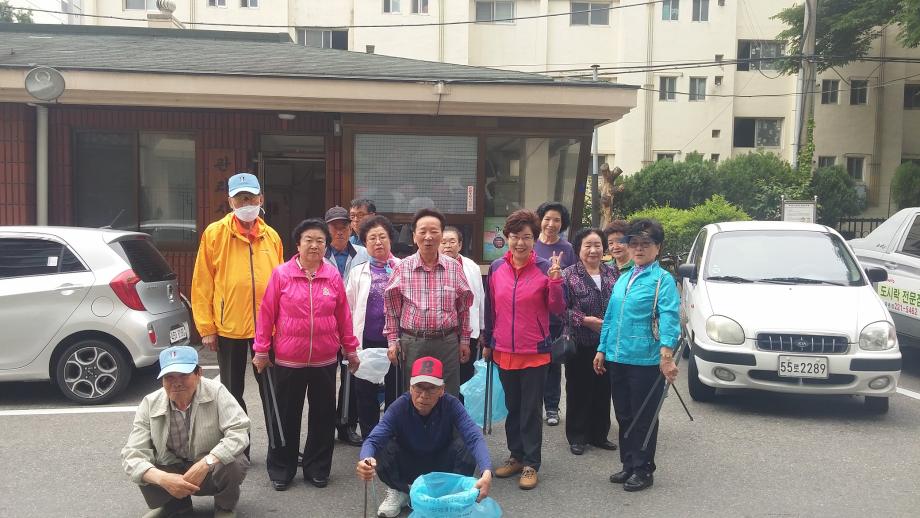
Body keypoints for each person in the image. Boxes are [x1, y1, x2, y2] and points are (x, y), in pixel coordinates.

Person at [252, 218, 361, 491]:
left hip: (325, 358)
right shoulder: (282, 274)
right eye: (309, 240)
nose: (314, 245)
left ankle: (317, 467)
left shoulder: (332, 275)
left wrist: (351, 349)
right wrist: (261, 350)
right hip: (289, 359)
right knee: (286, 416)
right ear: (298, 244)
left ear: (326, 246)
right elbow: (266, 315)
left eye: (320, 241)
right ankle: (282, 468)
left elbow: (343, 316)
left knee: (323, 416)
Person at [190, 171, 283, 457]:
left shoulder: (271, 236)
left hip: (266, 329)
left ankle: (278, 446)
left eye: (251, 197)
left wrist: (283, 324)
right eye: (240, 198)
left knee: (271, 391)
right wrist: (206, 327)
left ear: (260, 199)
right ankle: (239, 448)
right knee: (231, 392)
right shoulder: (215, 234)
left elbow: (282, 283)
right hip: (228, 325)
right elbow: (202, 282)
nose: (247, 202)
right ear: (230, 201)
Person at [594, 218, 680, 492]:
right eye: (634, 244)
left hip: (645, 360)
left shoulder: (662, 280)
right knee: (624, 415)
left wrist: (667, 356)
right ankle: (629, 464)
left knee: (644, 417)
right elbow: (610, 316)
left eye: (646, 244)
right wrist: (602, 349)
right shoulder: (623, 278)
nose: (639, 249)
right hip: (618, 359)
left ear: (658, 248)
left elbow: (669, 316)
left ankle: (644, 469)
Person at [483, 209, 564, 490]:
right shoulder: (496, 269)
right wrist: (487, 341)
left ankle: (531, 463)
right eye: (515, 237)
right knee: (512, 408)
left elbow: (557, 310)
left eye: (527, 237)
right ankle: (516, 455)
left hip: (535, 351)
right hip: (504, 349)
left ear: (535, 239)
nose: (520, 243)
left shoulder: (545, 268)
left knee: (530, 410)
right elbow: (491, 309)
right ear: (507, 238)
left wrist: (555, 282)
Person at [122, 346, 250, 518]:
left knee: (234, 461)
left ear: (199, 374)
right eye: (169, 377)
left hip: (208, 470)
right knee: (142, 466)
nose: (177, 382)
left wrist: (207, 462)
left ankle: (225, 506)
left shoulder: (217, 392)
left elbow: (239, 431)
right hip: (171, 468)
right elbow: (132, 454)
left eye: (184, 375)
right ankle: (173, 505)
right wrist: (162, 479)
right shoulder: (149, 403)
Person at [356, 357, 493, 518]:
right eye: (419, 388)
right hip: (409, 464)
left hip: (441, 466)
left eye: (431, 388)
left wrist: (486, 471)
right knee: (380, 448)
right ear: (410, 387)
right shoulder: (399, 406)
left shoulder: (452, 404)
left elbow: (474, 436)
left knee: (466, 445)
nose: (424, 395)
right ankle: (401, 491)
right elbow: (373, 439)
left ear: (442, 389)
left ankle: (448, 494)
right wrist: (365, 460)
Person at [384, 208, 474, 398]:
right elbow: (391, 310)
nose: (428, 237)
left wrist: (464, 340)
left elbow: (464, 308)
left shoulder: (453, 267)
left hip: (447, 342)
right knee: (415, 396)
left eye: (434, 231)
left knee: (448, 395)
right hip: (412, 343)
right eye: (422, 231)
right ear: (414, 237)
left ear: (441, 235)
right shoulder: (403, 267)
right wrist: (393, 342)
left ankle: (445, 429)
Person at [561, 228, 619, 455]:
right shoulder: (567, 275)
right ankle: (577, 435)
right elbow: (559, 310)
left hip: (607, 343)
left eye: (598, 245)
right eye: (588, 245)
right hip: (581, 342)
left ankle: (599, 434)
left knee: (604, 389)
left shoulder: (613, 273)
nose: (593, 250)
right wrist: (584, 320)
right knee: (578, 388)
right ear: (578, 249)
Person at [345, 215, 402, 437]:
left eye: (382, 237)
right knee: (365, 391)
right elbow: (348, 309)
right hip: (365, 341)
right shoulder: (358, 271)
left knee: (395, 392)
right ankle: (371, 437)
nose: (378, 242)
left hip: (396, 342)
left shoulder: (403, 267)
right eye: (372, 238)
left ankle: (392, 435)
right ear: (365, 244)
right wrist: (348, 343)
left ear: (390, 240)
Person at [324, 206, 370, 447]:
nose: (340, 231)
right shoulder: (317, 253)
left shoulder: (363, 253)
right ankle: (323, 426)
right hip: (325, 325)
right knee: (326, 378)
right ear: (327, 229)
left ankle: (346, 425)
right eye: (334, 227)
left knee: (352, 376)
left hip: (354, 323)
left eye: (344, 226)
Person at [534, 201, 576, 427]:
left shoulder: (567, 249)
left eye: (557, 220)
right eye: (547, 219)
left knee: (553, 364)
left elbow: (572, 282)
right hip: (532, 316)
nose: (551, 224)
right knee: (533, 365)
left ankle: (551, 407)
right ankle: (532, 405)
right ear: (540, 220)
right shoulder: (530, 245)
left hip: (556, 318)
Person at [439, 226, 486, 392]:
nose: (447, 245)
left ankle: (461, 414)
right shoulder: (433, 266)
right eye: (443, 242)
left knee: (465, 377)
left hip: (468, 332)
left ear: (460, 245)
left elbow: (480, 297)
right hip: (443, 333)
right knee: (441, 377)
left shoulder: (471, 266)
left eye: (452, 241)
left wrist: (482, 328)